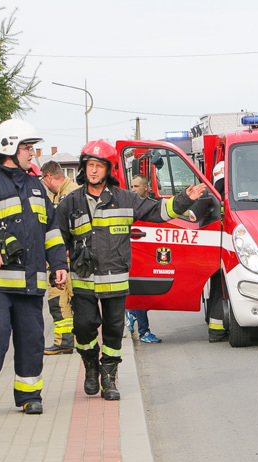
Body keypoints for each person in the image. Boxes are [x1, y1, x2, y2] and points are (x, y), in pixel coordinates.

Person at [57, 140, 205, 400]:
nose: (93, 171)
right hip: (83, 281)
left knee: (114, 331)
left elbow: (159, 211)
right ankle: (91, 366)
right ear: (83, 168)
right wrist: (58, 265)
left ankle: (109, 378)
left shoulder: (125, 199)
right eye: (90, 165)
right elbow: (57, 238)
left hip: (115, 281)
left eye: (98, 166)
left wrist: (184, 199)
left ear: (108, 169)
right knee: (83, 328)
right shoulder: (70, 202)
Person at [0, 118, 68, 418]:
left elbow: (51, 229)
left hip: (30, 282)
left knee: (31, 340)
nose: (32, 154)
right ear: (9, 146)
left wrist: (59, 263)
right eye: (27, 148)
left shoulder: (34, 185)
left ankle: (29, 395)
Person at [41, 160, 78, 355]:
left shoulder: (68, 195)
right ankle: (65, 341)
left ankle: (66, 341)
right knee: (60, 302)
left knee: (63, 300)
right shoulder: (63, 194)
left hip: (67, 260)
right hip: (64, 260)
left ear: (48, 176)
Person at [124, 174, 161, 343]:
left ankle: (131, 313)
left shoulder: (152, 205)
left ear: (146, 188)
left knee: (139, 291)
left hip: (150, 254)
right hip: (135, 253)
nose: (132, 190)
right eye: (131, 186)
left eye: (136, 186)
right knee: (140, 291)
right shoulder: (128, 206)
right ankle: (144, 332)